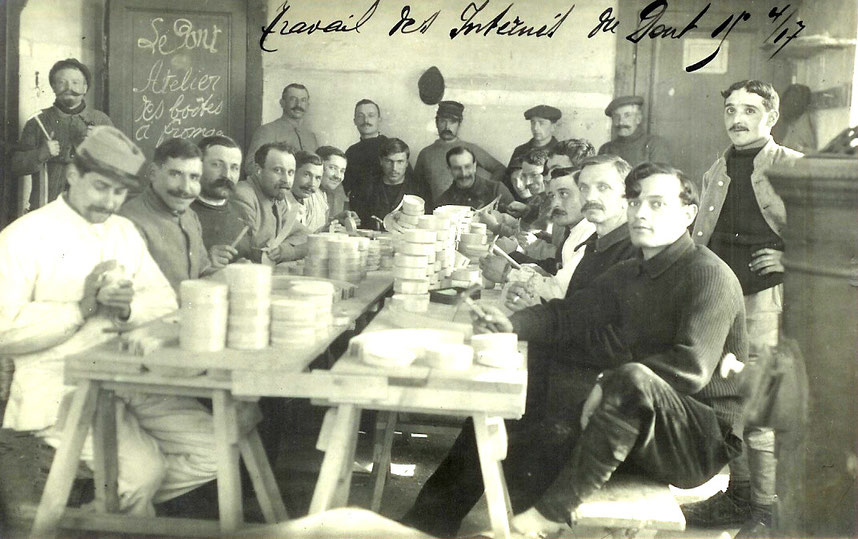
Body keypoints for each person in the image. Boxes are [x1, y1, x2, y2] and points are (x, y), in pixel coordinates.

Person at [400, 163, 746, 538]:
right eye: (635, 202)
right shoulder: (631, 271)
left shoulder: (708, 274)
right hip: (636, 418)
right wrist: (510, 325)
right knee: (518, 406)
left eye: (658, 204)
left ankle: (545, 517)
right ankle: (436, 523)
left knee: (618, 383)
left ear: (689, 213)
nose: (641, 213)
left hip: (696, 439)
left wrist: (606, 381)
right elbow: (566, 314)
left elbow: (691, 368)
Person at [0, 126, 217, 516]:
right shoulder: (23, 236)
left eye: (119, 192)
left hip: (129, 375)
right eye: (101, 187)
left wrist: (127, 309)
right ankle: (121, 508)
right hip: (62, 386)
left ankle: (105, 510)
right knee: (141, 475)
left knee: (218, 448)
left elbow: (166, 303)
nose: (110, 202)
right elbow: (5, 331)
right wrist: (81, 309)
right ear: (72, 175)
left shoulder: (123, 231)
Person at [682, 80, 803, 537]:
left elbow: (839, 234)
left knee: (760, 406)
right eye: (732, 109)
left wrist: (790, 259)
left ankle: (765, 510)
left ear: (770, 119)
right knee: (728, 400)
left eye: (750, 110)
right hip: (721, 302)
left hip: (766, 302)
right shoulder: (719, 167)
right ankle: (740, 495)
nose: (738, 118)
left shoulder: (794, 167)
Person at [119, 138, 229, 292]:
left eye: (194, 177)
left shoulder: (190, 216)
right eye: (176, 174)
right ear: (153, 173)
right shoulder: (127, 222)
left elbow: (202, 272)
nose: (185, 188)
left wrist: (232, 274)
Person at [11, 58, 114, 211]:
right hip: (46, 211)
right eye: (62, 82)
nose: (68, 88)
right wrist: (40, 154)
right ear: (53, 86)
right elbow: (15, 166)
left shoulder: (101, 121)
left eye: (75, 83)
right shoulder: (37, 122)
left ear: (85, 88)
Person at [229, 142, 309, 263]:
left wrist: (285, 251)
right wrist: (283, 250)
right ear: (258, 170)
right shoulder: (242, 195)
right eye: (278, 170)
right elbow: (244, 251)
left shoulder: (276, 197)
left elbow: (305, 235)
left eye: (290, 172)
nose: (286, 180)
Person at [413, 101, 506, 200]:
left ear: (459, 124)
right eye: (443, 121)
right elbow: (417, 188)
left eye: (452, 122)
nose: (447, 127)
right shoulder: (426, 154)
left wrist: (486, 189)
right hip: (439, 210)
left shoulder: (469, 149)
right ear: (436, 122)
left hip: (467, 208)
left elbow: (500, 168)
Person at [191, 135, 253, 263]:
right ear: (197, 166)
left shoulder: (242, 213)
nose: (227, 175)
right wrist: (203, 261)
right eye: (217, 165)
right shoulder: (179, 211)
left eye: (234, 168)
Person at [342, 99, 413, 205]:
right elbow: (348, 188)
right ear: (355, 121)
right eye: (360, 116)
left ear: (379, 120)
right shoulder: (351, 152)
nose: (366, 120)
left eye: (371, 115)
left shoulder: (392, 148)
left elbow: (408, 183)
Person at [351, 138, 431, 229]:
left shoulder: (419, 188)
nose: (394, 168)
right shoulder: (367, 187)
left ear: (407, 163)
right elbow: (358, 223)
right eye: (389, 161)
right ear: (381, 161)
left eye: (400, 162)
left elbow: (426, 223)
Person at [245, 83, 318, 175]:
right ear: (282, 103)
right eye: (293, 99)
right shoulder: (267, 131)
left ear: (308, 105)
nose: (298, 104)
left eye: (303, 100)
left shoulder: (311, 137)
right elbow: (251, 166)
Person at [505, 105, 561, 200]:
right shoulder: (520, 150)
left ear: (553, 127)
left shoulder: (560, 153)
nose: (535, 128)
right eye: (533, 122)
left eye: (541, 123)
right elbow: (508, 182)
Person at [598, 96, 671, 166]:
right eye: (616, 116)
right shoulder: (605, 149)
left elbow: (659, 177)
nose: (621, 122)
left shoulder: (655, 145)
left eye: (627, 115)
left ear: (638, 118)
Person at [434, 146, 514, 210]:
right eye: (457, 168)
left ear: (474, 166)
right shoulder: (443, 203)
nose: (464, 174)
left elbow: (517, 225)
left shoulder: (497, 190)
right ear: (449, 170)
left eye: (467, 167)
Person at [290, 151, 327, 233]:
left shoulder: (303, 202)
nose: (312, 184)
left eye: (317, 178)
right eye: (306, 175)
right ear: (292, 173)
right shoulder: (281, 203)